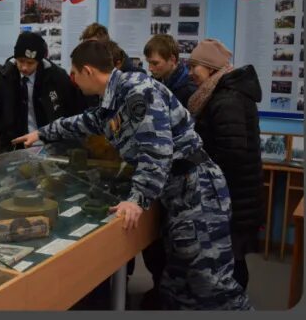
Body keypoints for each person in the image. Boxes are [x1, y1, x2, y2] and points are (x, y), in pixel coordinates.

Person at [18, 36, 247, 310]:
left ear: (88, 71)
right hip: (176, 193)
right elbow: (86, 122)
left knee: (212, 286)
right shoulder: (115, 98)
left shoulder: (138, 92)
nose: (73, 80)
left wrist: (137, 199)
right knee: (178, 286)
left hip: (197, 193)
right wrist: (41, 133)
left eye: (75, 73)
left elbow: (156, 150)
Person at [183, 40, 264, 285]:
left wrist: (197, 161)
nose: (190, 73)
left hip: (233, 197)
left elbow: (232, 153)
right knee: (230, 257)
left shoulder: (226, 100)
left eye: (194, 67)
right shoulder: (221, 93)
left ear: (209, 68)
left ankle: (234, 303)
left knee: (232, 259)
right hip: (232, 194)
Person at [0, 30, 78, 146]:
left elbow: (70, 110)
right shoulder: (4, 76)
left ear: (39, 61)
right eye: (20, 61)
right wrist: (5, 135)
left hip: (50, 143)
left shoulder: (57, 77)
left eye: (30, 63)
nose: (24, 67)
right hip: (16, 144)